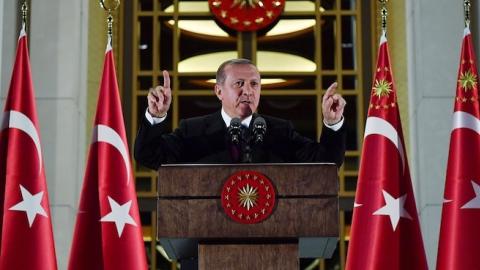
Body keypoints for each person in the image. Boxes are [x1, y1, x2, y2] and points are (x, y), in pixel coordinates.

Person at [134, 58, 346, 169]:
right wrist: (156, 116)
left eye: (254, 84)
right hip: (205, 238)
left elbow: (326, 163)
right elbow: (148, 155)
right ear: (218, 91)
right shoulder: (193, 131)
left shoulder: (280, 131)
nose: (248, 91)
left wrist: (331, 123)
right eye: (239, 83)